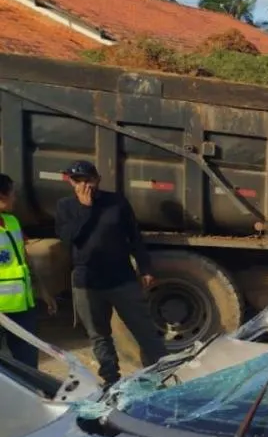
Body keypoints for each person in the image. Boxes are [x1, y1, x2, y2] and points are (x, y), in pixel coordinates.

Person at [55, 161, 166, 387]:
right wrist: (85, 209)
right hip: (87, 282)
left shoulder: (116, 202)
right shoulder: (65, 206)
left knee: (144, 329)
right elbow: (68, 237)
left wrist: (145, 267)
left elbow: (134, 237)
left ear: (98, 179)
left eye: (89, 180)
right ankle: (111, 380)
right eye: (78, 181)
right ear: (70, 182)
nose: (84, 185)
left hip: (121, 279)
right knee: (99, 335)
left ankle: (161, 374)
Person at [0, 175, 57, 369]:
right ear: (1, 196)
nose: (15, 199)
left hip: (22, 308)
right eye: (12, 194)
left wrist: (43, 291)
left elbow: (26, 261)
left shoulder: (12, 222)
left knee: (28, 365)